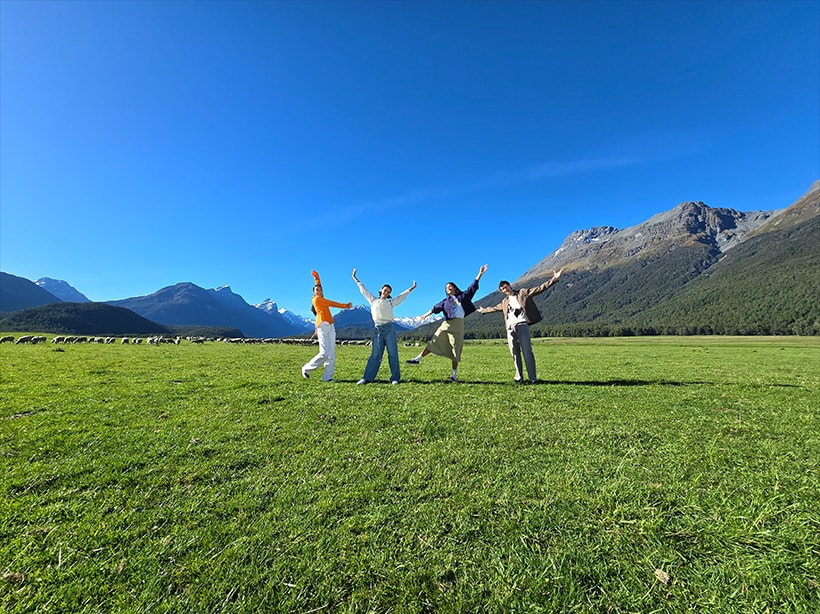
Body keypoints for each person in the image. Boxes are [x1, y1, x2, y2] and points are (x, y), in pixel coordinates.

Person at [477, 268, 564, 383]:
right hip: (510, 328)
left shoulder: (523, 293)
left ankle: (533, 378)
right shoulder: (504, 302)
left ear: (510, 285)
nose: (505, 289)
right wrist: (483, 310)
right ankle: (519, 377)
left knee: (527, 351)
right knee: (514, 352)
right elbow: (494, 308)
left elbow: (539, 289)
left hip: (522, 325)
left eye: (505, 286)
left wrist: (554, 279)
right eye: (502, 288)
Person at [405, 264, 488, 382]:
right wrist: (424, 315)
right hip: (447, 324)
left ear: (454, 288)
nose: (448, 288)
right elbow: (434, 309)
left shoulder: (464, 296)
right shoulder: (445, 302)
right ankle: (417, 359)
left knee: (456, 348)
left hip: (459, 325)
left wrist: (480, 274)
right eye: (446, 287)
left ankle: (454, 376)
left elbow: (472, 287)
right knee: (435, 340)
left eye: (450, 286)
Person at [352, 268, 417, 385]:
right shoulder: (373, 300)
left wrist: (411, 288)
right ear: (381, 290)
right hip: (377, 329)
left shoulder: (391, 302)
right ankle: (367, 377)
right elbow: (364, 290)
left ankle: (395, 378)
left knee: (393, 354)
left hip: (389, 329)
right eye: (385, 290)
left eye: (388, 291)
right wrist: (355, 278)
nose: (386, 292)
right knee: (375, 354)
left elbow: (402, 296)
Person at [301, 270, 352, 382]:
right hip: (322, 326)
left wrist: (317, 277)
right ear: (314, 293)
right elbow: (332, 303)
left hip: (331, 326)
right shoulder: (317, 299)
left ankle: (327, 377)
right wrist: (345, 306)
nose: (319, 291)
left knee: (331, 354)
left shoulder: (321, 298)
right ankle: (306, 368)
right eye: (316, 290)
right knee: (324, 353)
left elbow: (319, 285)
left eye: (320, 290)